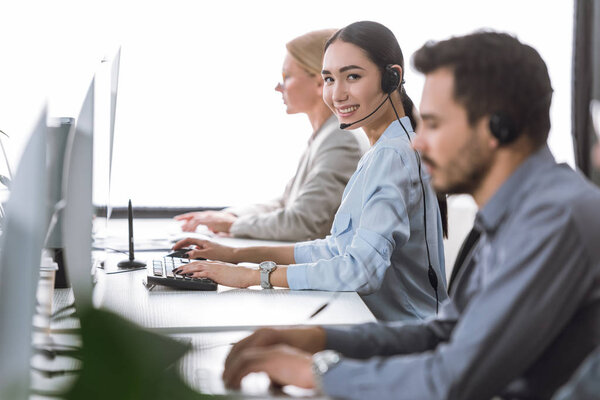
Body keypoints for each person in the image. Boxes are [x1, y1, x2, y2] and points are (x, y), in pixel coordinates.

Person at [219, 31, 600, 399]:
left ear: (495, 128)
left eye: (433, 124)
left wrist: (315, 371)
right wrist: (322, 339)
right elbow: (444, 332)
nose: (417, 141)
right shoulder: (516, 214)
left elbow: (450, 380)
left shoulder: (554, 219)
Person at [171, 21, 448, 322]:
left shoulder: (393, 156)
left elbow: (360, 270)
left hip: (406, 336)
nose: (337, 94)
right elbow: (337, 248)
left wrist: (252, 276)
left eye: (352, 77)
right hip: (384, 326)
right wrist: (237, 256)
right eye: (329, 79)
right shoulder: (384, 149)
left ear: (392, 77)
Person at [174, 29, 369, 242]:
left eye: (287, 76)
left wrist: (234, 225)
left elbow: (302, 223)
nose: (278, 86)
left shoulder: (341, 140)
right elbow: (285, 203)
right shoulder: (325, 135)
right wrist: (230, 216)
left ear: (319, 83)